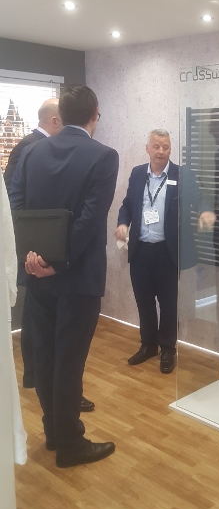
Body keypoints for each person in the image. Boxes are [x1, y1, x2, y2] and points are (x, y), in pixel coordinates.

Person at [10, 84, 119, 468]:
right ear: (94, 115)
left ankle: (54, 432)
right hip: (77, 278)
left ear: (63, 115)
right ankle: (71, 443)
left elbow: (16, 208)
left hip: (36, 273)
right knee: (69, 362)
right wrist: (59, 261)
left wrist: (33, 257)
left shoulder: (30, 152)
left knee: (45, 357)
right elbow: (90, 219)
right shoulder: (104, 156)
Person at [116, 129, 215, 374]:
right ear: (147, 148)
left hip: (167, 252)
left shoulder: (182, 175)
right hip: (140, 250)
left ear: (170, 149)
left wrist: (205, 211)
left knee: (169, 304)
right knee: (144, 302)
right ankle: (149, 345)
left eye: (166, 147)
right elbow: (127, 204)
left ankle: (168, 349)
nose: (161, 151)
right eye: (157, 146)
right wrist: (122, 223)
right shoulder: (137, 173)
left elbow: (200, 198)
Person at [5, 98, 63, 390]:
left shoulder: (42, 146)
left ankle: (39, 375)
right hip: (33, 248)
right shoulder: (29, 147)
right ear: (54, 121)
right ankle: (35, 375)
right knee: (34, 316)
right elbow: (13, 201)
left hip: (44, 245)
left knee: (40, 315)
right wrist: (30, 245)